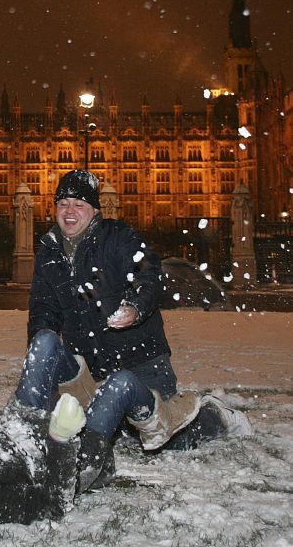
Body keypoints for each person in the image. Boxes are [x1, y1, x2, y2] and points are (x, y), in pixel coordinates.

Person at [0, 296, 204, 525]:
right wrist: (61, 438)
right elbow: (54, 504)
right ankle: (154, 422)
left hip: (24, 421)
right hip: (75, 457)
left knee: (45, 341)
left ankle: (84, 397)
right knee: (122, 383)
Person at [27, 169, 252, 449]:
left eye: (78, 204)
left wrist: (135, 306)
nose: (69, 211)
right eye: (63, 204)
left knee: (161, 441)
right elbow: (43, 309)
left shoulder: (119, 237)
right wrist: (43, 350)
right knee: (87, 434)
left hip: (141, 362)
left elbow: (148, 274)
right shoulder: (49, 253)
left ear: (95, 210)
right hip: (91, 371)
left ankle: (214, 417)